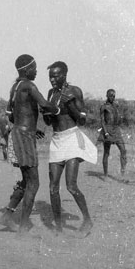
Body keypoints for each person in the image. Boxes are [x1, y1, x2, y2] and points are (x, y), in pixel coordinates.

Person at [0, 55, 61, 235]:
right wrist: (58, 109)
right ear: (26, 70)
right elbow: (45, 105)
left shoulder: (15, 87)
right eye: (34, 68)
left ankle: (8, 215)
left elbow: (10, 115)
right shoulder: (30, 86)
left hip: (19, 134)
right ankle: (24, 225)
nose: (37, 71)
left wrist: (30, 127)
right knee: (34, 182)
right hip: (24, 138)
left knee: (27, 179)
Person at [43, 61, 97, 237]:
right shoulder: (51, 93)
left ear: (64, 75)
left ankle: (87, 220)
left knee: (71, 186)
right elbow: (49, 122)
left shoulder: (74, 91)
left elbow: (82, 121)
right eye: (50, 76)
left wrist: (71, 105)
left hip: (72, 139)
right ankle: (58, 227)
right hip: (57, 141)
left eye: (56, 75)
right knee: (52, 188)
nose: (52, 79)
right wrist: (46, 113)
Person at [97, 89, 128, 179]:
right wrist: (105, 132)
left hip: (116, 130)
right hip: (108, 130)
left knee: (123, 150)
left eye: (114, 96)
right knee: (106, 152)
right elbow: (102, 121)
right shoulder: (103, 107)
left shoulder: (116, 105)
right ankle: (105, 175)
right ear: (107, 95)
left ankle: (122, 175)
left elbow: (118, 117)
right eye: (111, 95)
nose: (112, 97)